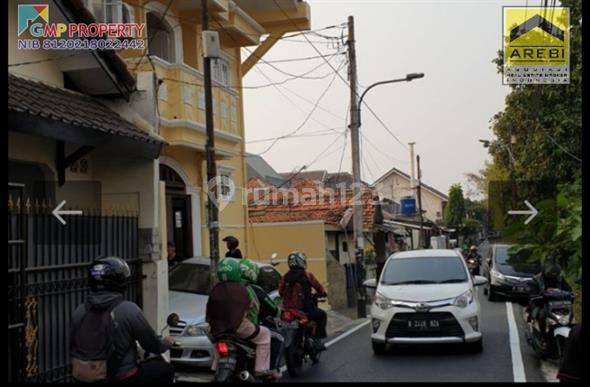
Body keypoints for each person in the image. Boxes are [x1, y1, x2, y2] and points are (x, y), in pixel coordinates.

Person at [70, 257, 175, 383]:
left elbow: (73, 346)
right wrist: (166, 343)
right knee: (166, 369)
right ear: (119, 281)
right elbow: (152, 344)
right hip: (121, 377)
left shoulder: (79, 311)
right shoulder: (128, 310)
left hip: (83, 377)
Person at [206, 257, 277, 379]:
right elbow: (251, 310)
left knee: (216, 340)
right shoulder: (242, 289)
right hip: (238, 326)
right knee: (265, 334)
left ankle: (215, 365)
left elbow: (208, 310)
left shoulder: (215, 289)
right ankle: (261, 369)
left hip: (216, 328)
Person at [279, 251, 328, 341]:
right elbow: (318, 287)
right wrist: (323, 293)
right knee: (322, 315)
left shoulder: (285, 277)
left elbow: (280, 292)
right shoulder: (307, 275)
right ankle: (317, 340)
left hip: (287, 310)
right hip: (305, 309)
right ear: (301, 262)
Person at [527, 257, 572, 338]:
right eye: (551, 273)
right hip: (541, 304)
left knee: (570, 315)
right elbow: (533, 294)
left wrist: (570, 294)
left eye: (555, 273)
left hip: (558, 304)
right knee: (542, 316)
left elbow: (568, 289)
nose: (553, 275)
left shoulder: (560, 279)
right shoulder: (537, 279)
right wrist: (542, 294)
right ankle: (542, 336)